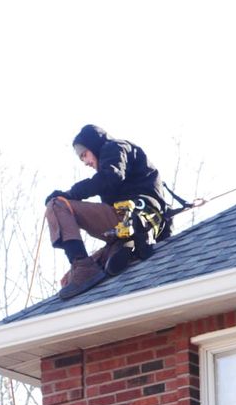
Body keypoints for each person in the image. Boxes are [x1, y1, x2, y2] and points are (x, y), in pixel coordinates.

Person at [45, 124, 165, 301]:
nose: (85, 162)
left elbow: (111, 177)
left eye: (84, 154)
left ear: (94, 146)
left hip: (129, 217)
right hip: (139, 225)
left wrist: (70, 194)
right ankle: (123, 247)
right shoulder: (125, 159)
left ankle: (82, 265)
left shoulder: (114, 148)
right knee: (67, 280)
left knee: (57, 205)